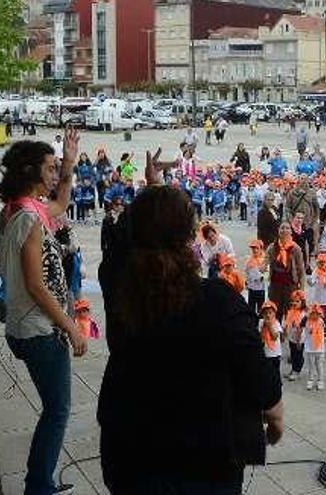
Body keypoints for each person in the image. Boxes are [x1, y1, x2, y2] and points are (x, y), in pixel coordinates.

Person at [97, 168, 282, 493]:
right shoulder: (217, 301)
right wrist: (275, 415)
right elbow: (260, 379)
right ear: (188, 237)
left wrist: (153, 196)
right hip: (199, 464)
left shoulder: (118, 286)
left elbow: (131, 238)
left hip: (129, 451)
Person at [0, 132, 87, 495]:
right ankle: (38, 487)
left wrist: (68, 163)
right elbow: (36, 284)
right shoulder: (27, 219)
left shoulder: (18, 210)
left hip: (24, 327)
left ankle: (40, 481)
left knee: (54, 408)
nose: (54, 176)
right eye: (50, 169)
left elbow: (61, 203)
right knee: (58, 411)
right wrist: (72, 327)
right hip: (38, 330)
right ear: (31, 171)